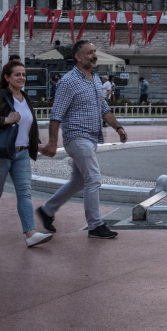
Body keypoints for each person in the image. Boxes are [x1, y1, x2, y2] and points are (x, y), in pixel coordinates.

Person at [36, 40, 128, 239]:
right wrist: (52, 142)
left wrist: (118, 127)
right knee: (93, 178)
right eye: (89, 52)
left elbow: (104, 108)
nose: (94, 55)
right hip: (76, 137)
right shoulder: (69, 81)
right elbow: (56, 113)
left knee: (78, 181)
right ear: (78, 57)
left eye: (95, 51)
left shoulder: (95, 79)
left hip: (91, 138)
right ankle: (95, 225)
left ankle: (47, 210)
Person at [0, 60, 53, 247]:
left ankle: (30, 233)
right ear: (7, 77)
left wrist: (36, 145)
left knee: (24, 193)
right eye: (17, 74)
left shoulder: (25, 97)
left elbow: (29, 126)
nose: (22, 78)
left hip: (21, 154)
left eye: (24, 74)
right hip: (0, 154)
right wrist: (6, 119)